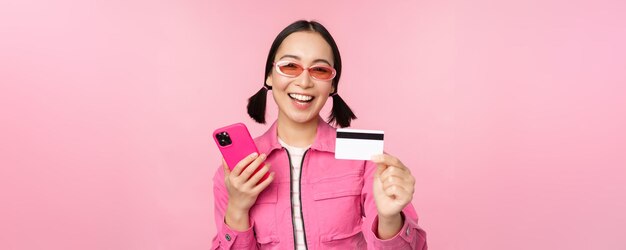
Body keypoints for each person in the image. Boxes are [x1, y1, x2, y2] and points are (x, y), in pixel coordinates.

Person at [211, 20, 427, 249]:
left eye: (320, 70)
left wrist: (390, 219)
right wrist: (237, 207)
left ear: (332, 85)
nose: (304, 82)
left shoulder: (364, 153)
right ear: (269, 76)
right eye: (290, 66)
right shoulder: (238, 170)